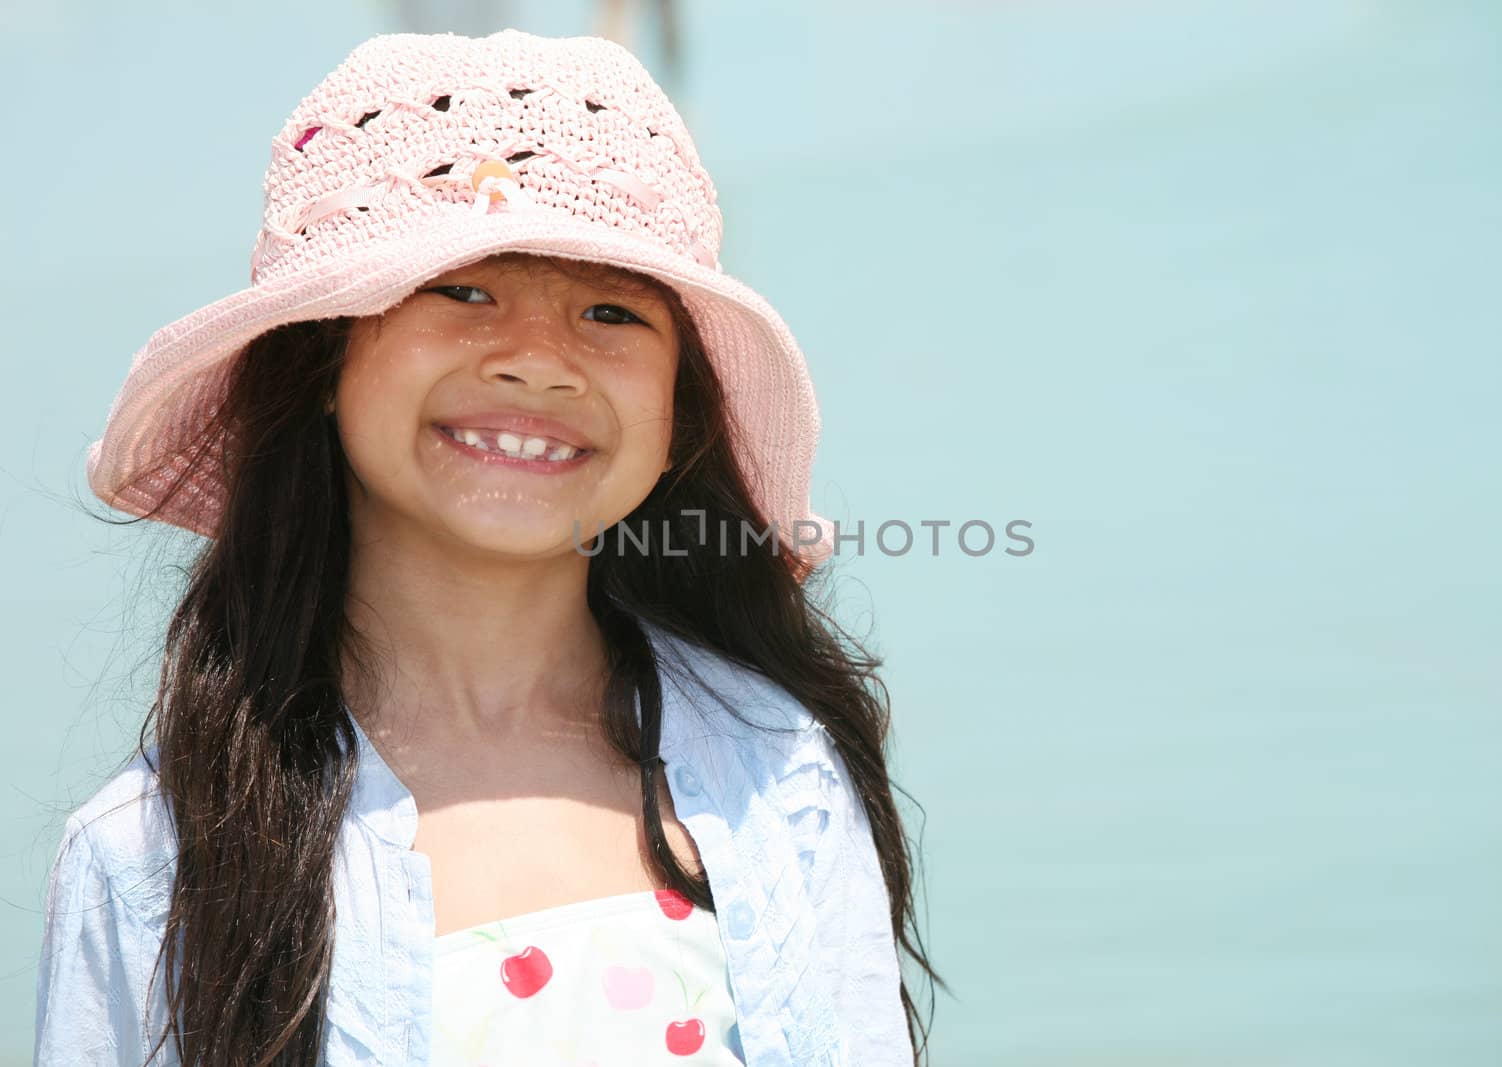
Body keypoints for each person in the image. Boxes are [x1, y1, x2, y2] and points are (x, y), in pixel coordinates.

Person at [32, 29, 940, 1067]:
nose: (539, 364)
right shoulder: (153, 852)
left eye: (612, 311)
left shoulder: (779, 769)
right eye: (463, 291)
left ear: (678, 409)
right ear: (323, 352)